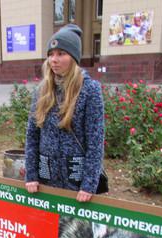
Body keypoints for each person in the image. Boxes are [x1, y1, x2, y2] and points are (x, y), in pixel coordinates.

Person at [25, 24, 105, 202]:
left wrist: (88, 184)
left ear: (74, 58)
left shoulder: (90, 90)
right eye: (51, 54)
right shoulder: (41, 91)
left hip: (76, 183)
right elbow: (32, 136)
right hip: (45, 177)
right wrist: (31, 174)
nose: (54, 59)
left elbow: (95, 141)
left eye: (61, 54)